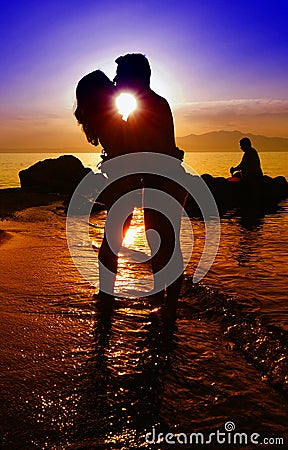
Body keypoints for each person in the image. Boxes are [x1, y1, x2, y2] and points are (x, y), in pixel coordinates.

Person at [111, 53, 187, 310]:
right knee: (160, 243)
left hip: (165, 184)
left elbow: (144, 148)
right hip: (160, 183)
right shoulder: (148, 106)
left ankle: (170, 309)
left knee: (165, 245)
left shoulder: (151, 107)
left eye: (120, 76)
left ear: (135, 78)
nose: (115, 80)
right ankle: (163, 305)